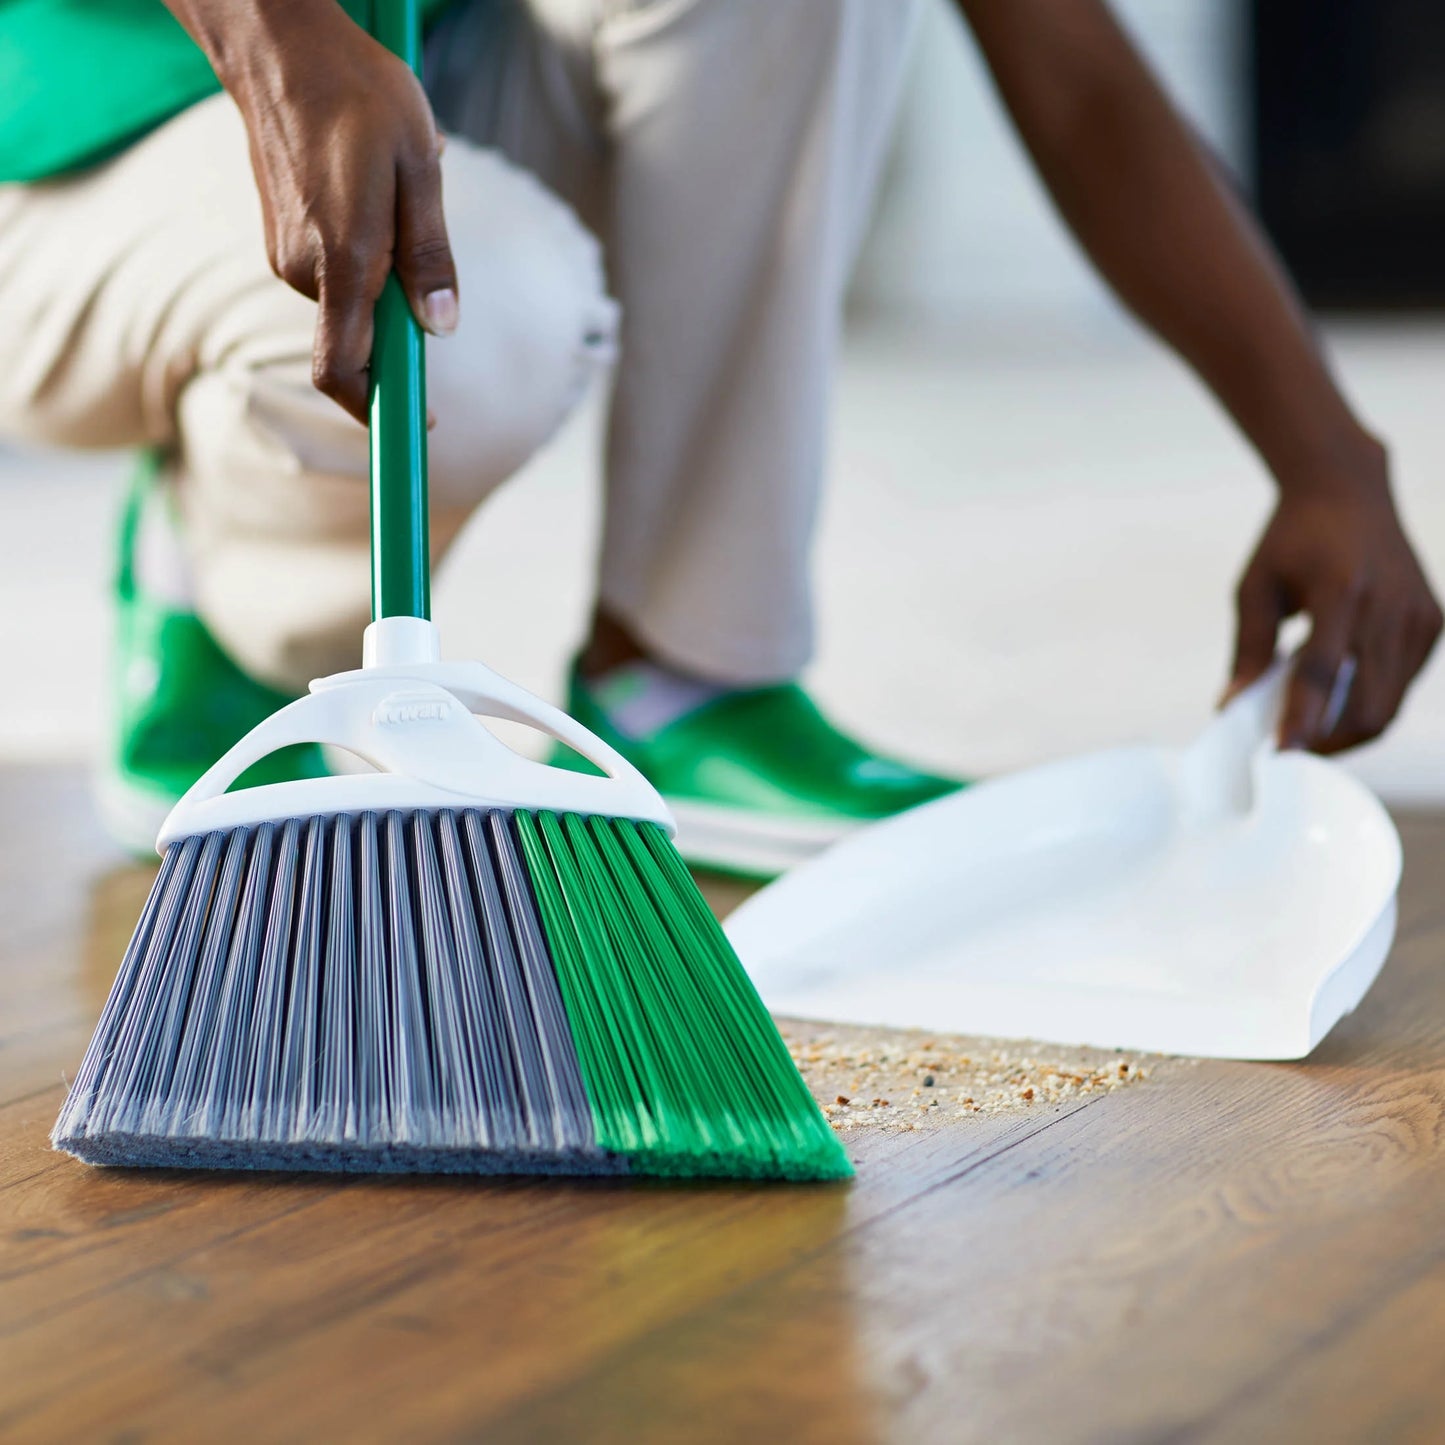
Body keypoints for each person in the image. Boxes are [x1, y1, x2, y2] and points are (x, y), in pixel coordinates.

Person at [0, 0, 1438, 878]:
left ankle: (690, 667)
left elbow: (1065, 61)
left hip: (419, 84)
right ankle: (222, 586)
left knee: (467, 287)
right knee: (482, 321)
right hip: (65, 170)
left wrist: (1325, 455)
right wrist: (282, 34)